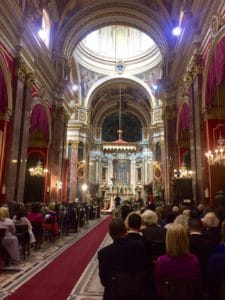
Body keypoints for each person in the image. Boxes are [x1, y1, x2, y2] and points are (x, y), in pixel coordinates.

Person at [98, 218, 151, 300]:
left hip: (113, 295)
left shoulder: (103, 253)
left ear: (110, 234)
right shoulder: (139, 247)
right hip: (136, 294)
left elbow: (104, 281)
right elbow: (147, 270)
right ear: (125, 231)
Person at [155, 223, 201, 298]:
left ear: (168, 240)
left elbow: (159, 288)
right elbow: (196, 287)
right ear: (185, 239)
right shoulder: (194, 260)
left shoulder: (161, 261)